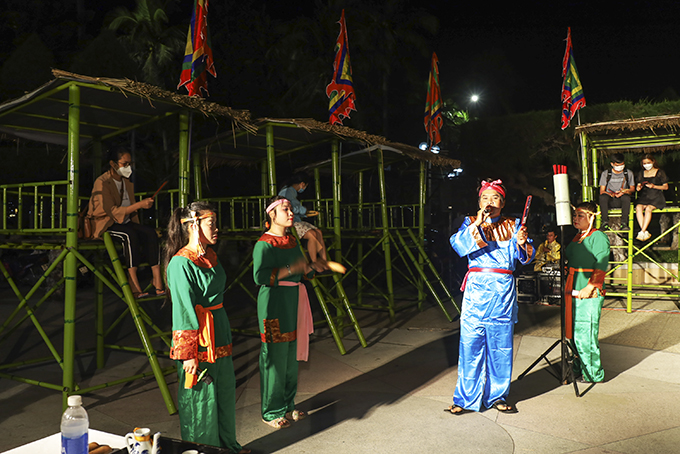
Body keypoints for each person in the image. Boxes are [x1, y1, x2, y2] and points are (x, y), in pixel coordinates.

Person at [165, 202, 249, 453]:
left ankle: (227, 447)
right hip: (198, 338)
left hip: (218, 330)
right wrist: (188, 353)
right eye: (211, 224)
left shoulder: (210, 256)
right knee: (200, 399)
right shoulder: (181, 264)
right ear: (193, 225)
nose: (216, 229)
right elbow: (182, 310)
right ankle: (203, 449)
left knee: (223, 391)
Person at [446, 179, 535, 415]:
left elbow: (526, 256)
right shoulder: (470, 223)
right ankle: (465, 398)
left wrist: (523, 243)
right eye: (485, 198)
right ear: (479, 203)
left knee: (500, 347)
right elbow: (459, 246)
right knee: (469, 345)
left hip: (502, 291)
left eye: (494, 198)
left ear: (502, 203)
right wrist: (477, 223)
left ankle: (497, 395)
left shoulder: (514, 225)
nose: (489, 202)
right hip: (476, 290)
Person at [253, 196, 319, 429]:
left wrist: (312, 267)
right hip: (275, 303)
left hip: (294, 301)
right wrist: (293, 268)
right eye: (285, 209)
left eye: (291, 209)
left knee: (291, 359)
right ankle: (271, 411)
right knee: (275, 359)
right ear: (272, 214)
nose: (291, 213)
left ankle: (288, 406)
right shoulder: (264, 243)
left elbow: (303, 271)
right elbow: (260, 277)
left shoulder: (292, 241)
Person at [87, 148, 163, 298]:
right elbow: (112, 211)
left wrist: (140, 207)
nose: (128, 167)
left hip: (126, 221)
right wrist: (140, 205)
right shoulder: (102, 182)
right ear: (113, 164)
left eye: (130, 164)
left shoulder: (127, 183)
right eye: (125, 164)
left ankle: (157, 279)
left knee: (150, 233)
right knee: (129, 236)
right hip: (106, 222)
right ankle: (133, 283)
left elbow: (129, 209)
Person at [565, 201, 610, 383]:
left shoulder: (598, 236)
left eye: (580, 216)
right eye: (575, 215)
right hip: (573, 287)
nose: (575, 219)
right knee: (573, 333)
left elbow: (602, 262)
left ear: (592, 217)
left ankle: (592, 373)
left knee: (585, 333)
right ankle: (578, 367)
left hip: (588, 290)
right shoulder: (577, 237)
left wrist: (591, 286)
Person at [278, 172, 327, 265]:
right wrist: (303, 210)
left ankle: (324, 261)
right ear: (302, 184)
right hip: (289, 223)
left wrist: (305, 214)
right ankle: (314, 262)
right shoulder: (287, 191)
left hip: (296, 221)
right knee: (312, 234)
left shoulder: (291, 192)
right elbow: (289, 208)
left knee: (318, 232)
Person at [634, 154, 668, 241]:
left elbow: (665, 187)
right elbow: (638, 185)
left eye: (648, 162)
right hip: (645, 196)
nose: (646, 165)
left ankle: (642, 231)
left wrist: (654, 186)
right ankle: (644, 232)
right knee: (638, 207)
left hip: (656, 196)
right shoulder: (641, 173)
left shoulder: (660, 172)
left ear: (653, 162)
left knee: (648, 209)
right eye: (644, 163)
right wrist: (638, 188)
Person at [598, 153, 635, 231]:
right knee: (602, 197)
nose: (620, 167)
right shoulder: (606, 173)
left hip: (622, 199)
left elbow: (632, 189)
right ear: (612, 164)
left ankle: (624, 223)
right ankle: (604, 222)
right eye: (617, 165)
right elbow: (602, 191)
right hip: (609, 199)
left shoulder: (628, 173)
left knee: (626, 198)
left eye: (622, 165)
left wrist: (624, 191)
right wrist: (611, 194)